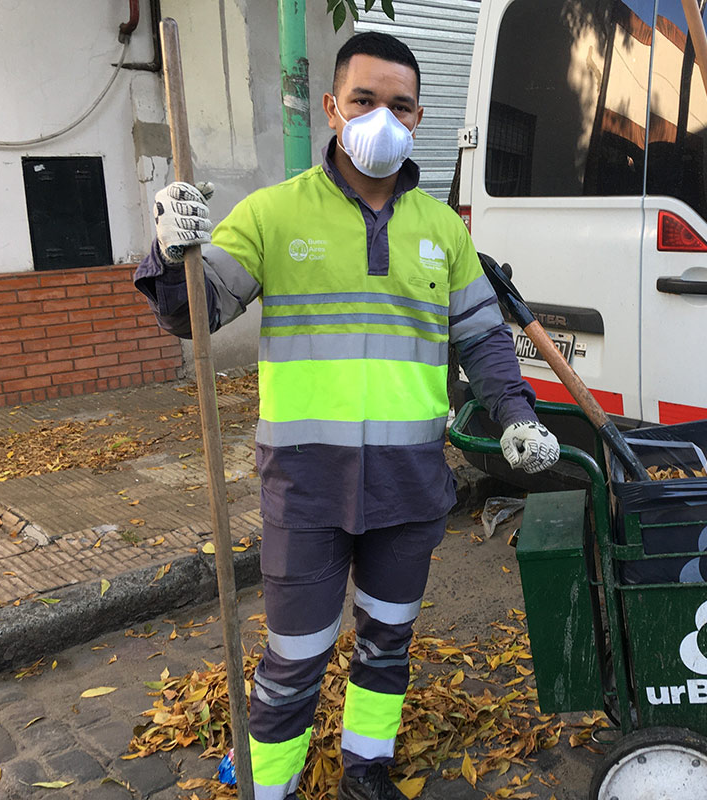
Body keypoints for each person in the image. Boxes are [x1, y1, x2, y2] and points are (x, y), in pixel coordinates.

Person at [134, 32, 560, 800]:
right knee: (295, 657)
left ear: (419, 117)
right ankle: (273, 788)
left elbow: (484, 340)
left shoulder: (444, 231)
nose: (381, 119)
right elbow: (191, 311)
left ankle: (367, 770)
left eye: (400, 105)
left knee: (388, 645)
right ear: (334, 107)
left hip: (408, 488)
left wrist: (516, 416)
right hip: (307, 491)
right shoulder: (271, 214)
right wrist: (171, 252)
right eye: (364, 100)